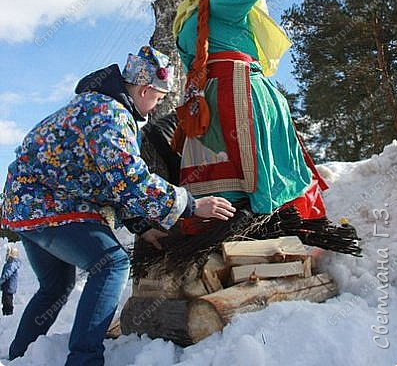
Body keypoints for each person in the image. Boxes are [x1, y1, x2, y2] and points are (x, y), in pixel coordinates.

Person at [1, 45, 235, 365]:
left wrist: (140, 226)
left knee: (56, 286)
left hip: (24, 207)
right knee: (112, 264)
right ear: (143, 89)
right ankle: (85, 360)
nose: (155, 106)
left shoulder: (95, 107)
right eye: (157, 97)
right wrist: (192, 205)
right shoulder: (109, 115)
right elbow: (131, 181)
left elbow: (109, 182)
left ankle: (19, 358)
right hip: (50, 205)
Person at [173, 0, 326, 223]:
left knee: (244, 162)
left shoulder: (218, 4)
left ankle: (258, 222)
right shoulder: (191, 11)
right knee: (215, 158)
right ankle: (216, 221)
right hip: (209, 98)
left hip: (239, 94)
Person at [0, 246, 21, 316]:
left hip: (9, 287)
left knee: (7, 302)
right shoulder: (10, 263)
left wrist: (1, 280)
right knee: (4, 300)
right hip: (7, 287)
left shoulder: (12, 264)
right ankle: (5, 314)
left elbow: (7, 274)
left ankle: (8, 314)